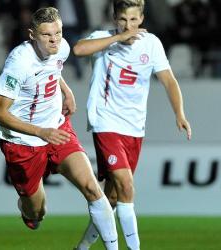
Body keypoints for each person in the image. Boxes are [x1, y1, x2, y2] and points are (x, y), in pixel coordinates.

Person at [0, 7, 119, 250]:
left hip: (57, 129)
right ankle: (28, 211)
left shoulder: (62, 47)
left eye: (58, 33)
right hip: (23, 143)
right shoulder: (18, 62)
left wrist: (65, 89)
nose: (54, 40)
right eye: (47, 35)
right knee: (37, 213)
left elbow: (54, 68)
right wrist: (40, 132)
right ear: (32, 35)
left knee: (92, 188)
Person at [72, 0, 192, 249]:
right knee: (127, 185)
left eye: (134, 20)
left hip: (135, 128)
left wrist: (179, 114)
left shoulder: (151, 44)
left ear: (142, 19)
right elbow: (79, 50)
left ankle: (82, 247)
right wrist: (117, 38)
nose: (129, 26)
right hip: (106, 122)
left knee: (113, 197)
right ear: (115, 19)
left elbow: (169, 81)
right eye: (123, 20)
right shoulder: (103, 39)